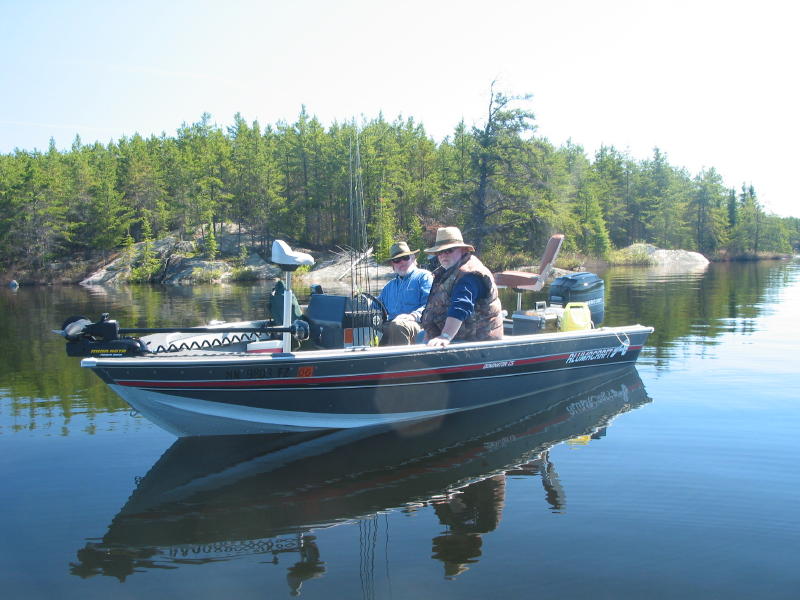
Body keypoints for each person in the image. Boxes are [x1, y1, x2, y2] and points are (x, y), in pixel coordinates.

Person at [421, 227, 503, 347]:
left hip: (478, 344)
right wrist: (430, 335)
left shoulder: (470, 275)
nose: (443, 255)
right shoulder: (445, 272)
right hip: (456, 338)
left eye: (449, 250)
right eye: (440, 252)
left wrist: (445, 336)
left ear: (463, 250)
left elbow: (461, 306)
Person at [377, 241, 433, 345]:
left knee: (398, 325)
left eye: (405, 257)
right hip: (392, 326)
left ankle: (400, 356)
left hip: (418, 324)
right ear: (392, 265)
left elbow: (430, 305)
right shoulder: (388, 287)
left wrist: (413, 316)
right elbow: (376, 306)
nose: (401, 262)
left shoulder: (424, 277)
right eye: (397, 260)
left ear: (413, 258)